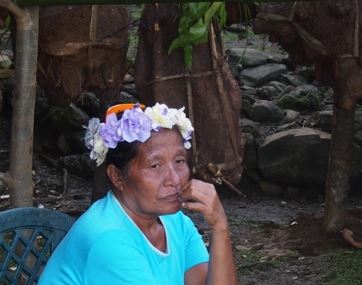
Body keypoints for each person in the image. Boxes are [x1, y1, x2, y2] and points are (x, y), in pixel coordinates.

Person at [39, 102, 237, 285]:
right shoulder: (110, 240)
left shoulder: (175, 222)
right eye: (155, 165)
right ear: (117, 177)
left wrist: (220, 228)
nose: (175, 180)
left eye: (179, 161)